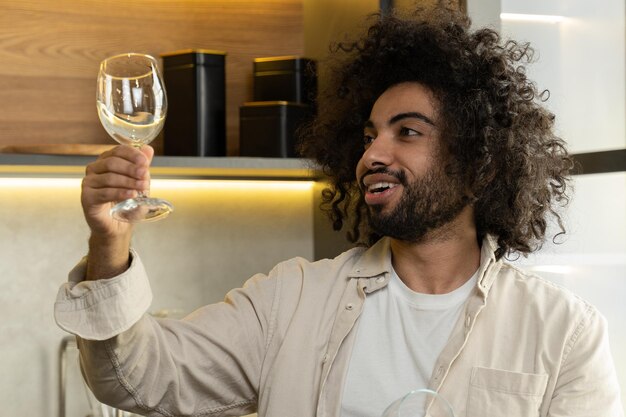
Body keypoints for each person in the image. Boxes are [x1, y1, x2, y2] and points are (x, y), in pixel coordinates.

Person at [54, 6, 623, 417]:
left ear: (479, 162)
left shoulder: (565, 333)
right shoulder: (291, 299)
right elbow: (134, 379)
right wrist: (110, 244)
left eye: (408, 132)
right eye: (370, 135)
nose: (373, 154)